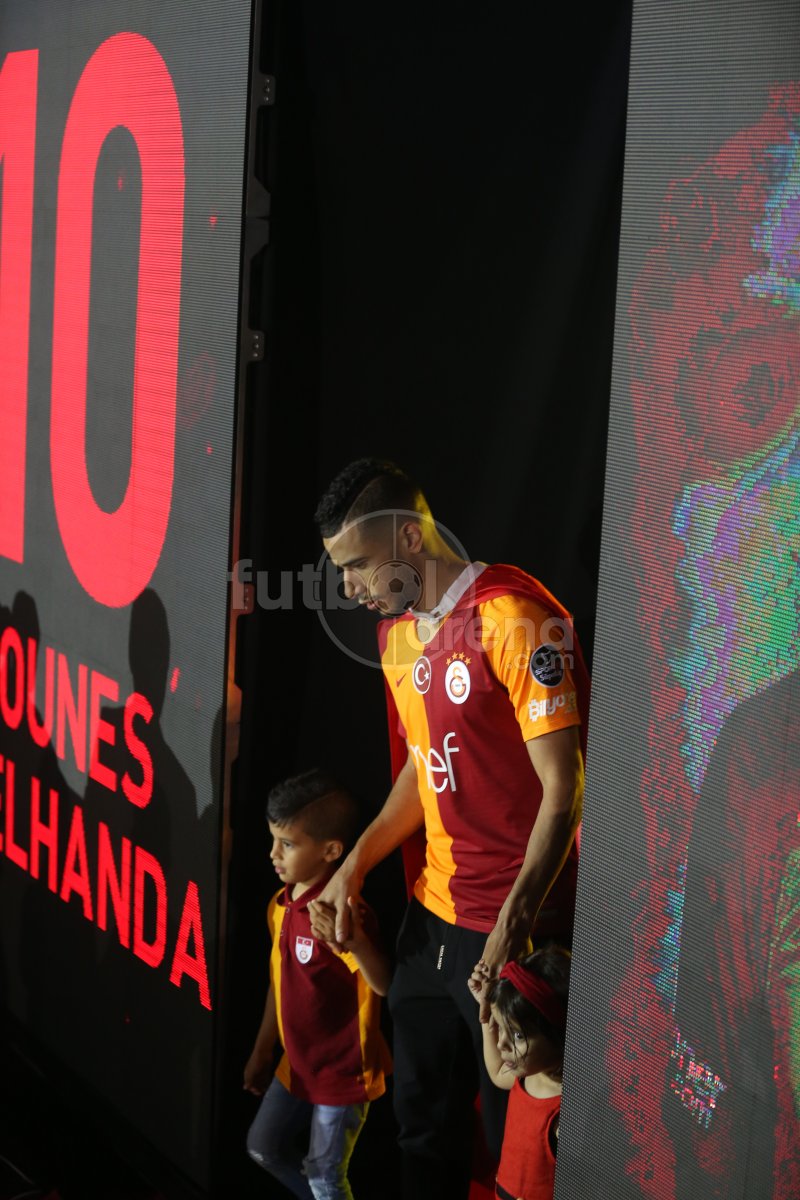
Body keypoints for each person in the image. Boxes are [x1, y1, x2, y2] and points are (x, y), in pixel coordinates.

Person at [313, 459, 589, 1199]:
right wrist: (355, 865)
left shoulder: (514, 618)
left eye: (357, 565)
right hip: (430, 919)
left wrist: (513, 924)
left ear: (409, 537)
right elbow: (425, 766)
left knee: (513, 1148)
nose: (349, 588)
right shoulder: (397, 638)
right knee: (421, 1132)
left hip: (510, 929)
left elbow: (565, 787)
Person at [243, 769, 392, 1200]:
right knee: (262, 1147)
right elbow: (278, 983)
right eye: (273, 840)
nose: (273, 854)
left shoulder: (342, 914)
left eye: (287, 844)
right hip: (295, 1065)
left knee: (325, 1176)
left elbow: (384, 985)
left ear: (331, 850)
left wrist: (355, 942)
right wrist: (262, 1050)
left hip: (343, 1074)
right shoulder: (280, 905)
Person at [469, 947, 571, 1200]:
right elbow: (496, 1072)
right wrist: (486, 1014)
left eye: (516, 1035)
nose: (501, 1043)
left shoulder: (567, 1113)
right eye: (500, 1027)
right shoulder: (529, 1075)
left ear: (557, 1035)